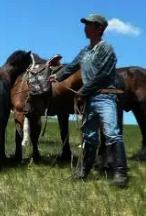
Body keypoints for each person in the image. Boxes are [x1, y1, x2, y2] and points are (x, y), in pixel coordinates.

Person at [48, 14, 128, 188]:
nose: (85, 27)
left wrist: (82, 91)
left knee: (112, 133)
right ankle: (84, 171)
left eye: (89, 25)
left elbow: (102, 75)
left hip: (105, 97)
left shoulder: (106, 49)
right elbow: (72, 66)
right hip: (90, 98)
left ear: (99, 28)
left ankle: (121, 173)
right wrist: (57, 76)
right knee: (89, 136)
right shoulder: (85, 51)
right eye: (85, 24)